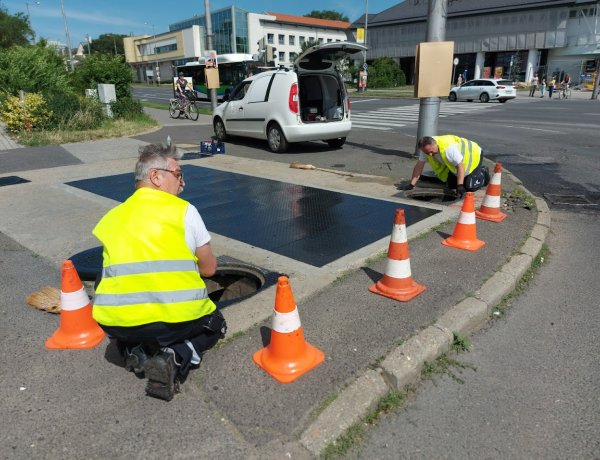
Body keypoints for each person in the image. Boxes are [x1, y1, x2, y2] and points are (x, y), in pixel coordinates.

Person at [92, 142, 227, 401]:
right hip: (173, 321)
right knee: (216, 325)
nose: (182, 183)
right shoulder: (184, 211)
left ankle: (135, 352)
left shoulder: (112, 217)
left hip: (115, 324)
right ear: (156, 176)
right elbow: (209, 269)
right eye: (178, 175)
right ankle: (176, 357)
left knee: (131, 318)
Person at [405, 135, 490, 199]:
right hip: (456, 164)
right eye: (427, 153)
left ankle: (483, 173)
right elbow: (419, 166)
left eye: (431, 151)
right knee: (451, 186)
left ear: (435, 144)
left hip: (473, 155)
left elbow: (460, 166)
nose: (430, 155)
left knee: (469, 187)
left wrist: (460, 185)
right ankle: (467, 178)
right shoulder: (426, 149)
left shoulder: (448, 149)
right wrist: (412, 184)